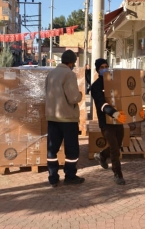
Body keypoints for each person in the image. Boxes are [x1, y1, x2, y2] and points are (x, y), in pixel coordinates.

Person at [45, 49, 84, 187]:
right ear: (72, 62)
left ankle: (53, 177)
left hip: (52, 117)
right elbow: (73, 98)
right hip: (67, 118)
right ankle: (70, 176)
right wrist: (80, 95)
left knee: (52, 149)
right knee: (72, 149)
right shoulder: (69, 74)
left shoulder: (51, 74)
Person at [90, 58, 128, 185]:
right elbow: (101, 104)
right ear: (97, 70)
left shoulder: (114, 82)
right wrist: (113, 113)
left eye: (106, 66)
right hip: (106, 123)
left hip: (118, 121)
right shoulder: (95, 86)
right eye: (102, 67)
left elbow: (125, 97)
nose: (104, 69)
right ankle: (118, 174)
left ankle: (101, 155)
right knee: (115, 149)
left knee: (118, 145)